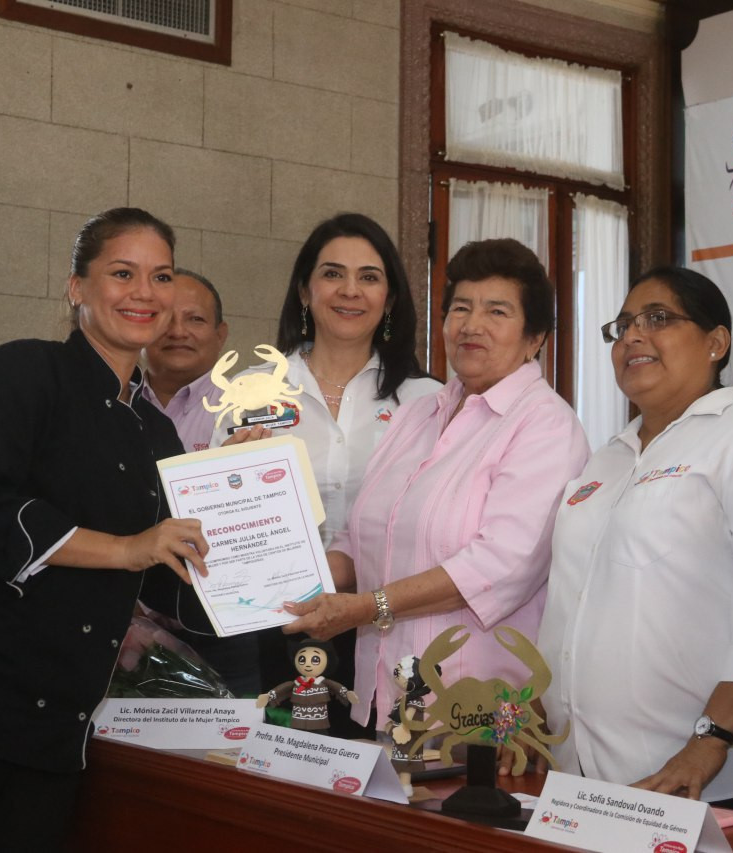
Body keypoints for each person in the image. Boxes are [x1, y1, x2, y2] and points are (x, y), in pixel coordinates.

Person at [0, 207, 210, 850]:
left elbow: (173, 570)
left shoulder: (157, 430)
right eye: (123, 272)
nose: (145, 292)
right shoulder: (18, 372)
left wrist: (250, 484)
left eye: (162, 276)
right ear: (76, 287)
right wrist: (126, 548)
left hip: (56, 723)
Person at [538, 267, 733, 822]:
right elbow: (570, 604)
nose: (632, 337)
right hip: (593, 782)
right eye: (622, 326)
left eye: (658, 319)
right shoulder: (606, 457)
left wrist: (710, 740)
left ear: (717, 342)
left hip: (725, 783)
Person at [281, 238, 589, 744]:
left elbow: (497, 567)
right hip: (384, 696)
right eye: (460, 308)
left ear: (535, 337)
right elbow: (359, 540)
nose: (472, 325)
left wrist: (365, 608)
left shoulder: (546, 427)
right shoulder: (419, 412)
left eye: (497, 311)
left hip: (476, 714)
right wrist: (292, 588)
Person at [174, 214, 441, 704]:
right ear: (304, 290)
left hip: (387, 624)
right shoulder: (252, 392)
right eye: (332, 273)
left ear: (392, 298)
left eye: (369, 277)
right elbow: (208, 523)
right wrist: (225, 481)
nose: (350, 291)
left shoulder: (429, 402)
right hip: (267, 625)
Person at [144, 268, 229, 453]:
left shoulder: (242, 408)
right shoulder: (114, 404)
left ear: (220, 335)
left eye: (195, 319)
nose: (178, 332)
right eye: (164, 318)